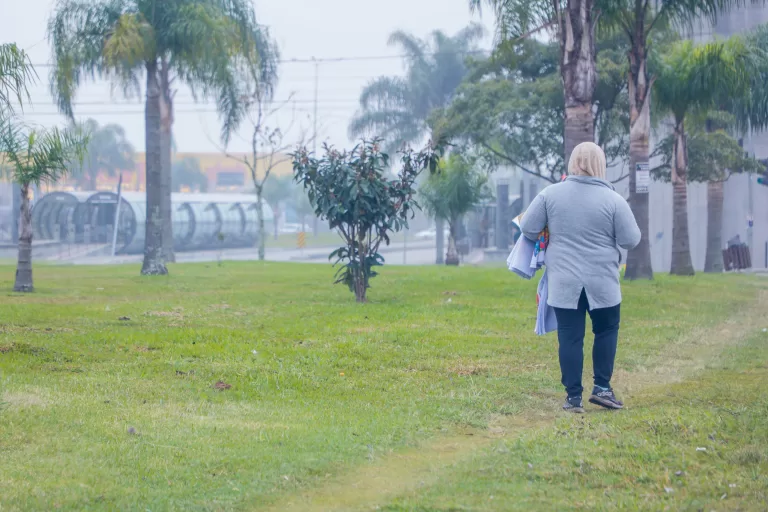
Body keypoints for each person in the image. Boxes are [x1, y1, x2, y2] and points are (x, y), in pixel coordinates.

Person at [520, 142, 641, 413]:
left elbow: (527, 228)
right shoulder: (613, 200)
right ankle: (602, 389)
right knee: (606, 330)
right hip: (603, 281)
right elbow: (631, 240)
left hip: (564, 282)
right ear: (601, 164)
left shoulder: (550, 194)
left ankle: (573, 398)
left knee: (570, 337)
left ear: (572, 162)